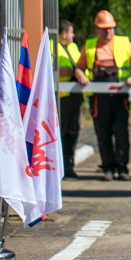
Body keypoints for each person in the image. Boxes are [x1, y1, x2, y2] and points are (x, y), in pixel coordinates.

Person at [75, 10, 131, 181]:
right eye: (104, 28)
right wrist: (80, 75)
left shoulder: (124, 43)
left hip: (120, 95)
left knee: (121, 132)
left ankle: (122, 168)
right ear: (97, 29)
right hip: (99, 97)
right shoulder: (89, 45)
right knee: (102, 133)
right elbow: (79, 67)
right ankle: (108, 168)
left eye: (110, 28)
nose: (108, 31)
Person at [53, 20, 85, 179]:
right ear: (64, 33)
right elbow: (58, 69)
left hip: (76, 96)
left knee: (73, 130)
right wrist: (75, 72)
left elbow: (81, 66)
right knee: (62, 132)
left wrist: (77, 71)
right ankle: (61, 167)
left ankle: (69, 166)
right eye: (71, 32)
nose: (73, 35)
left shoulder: (73, 47)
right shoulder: (53, 46)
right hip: (62, 97)